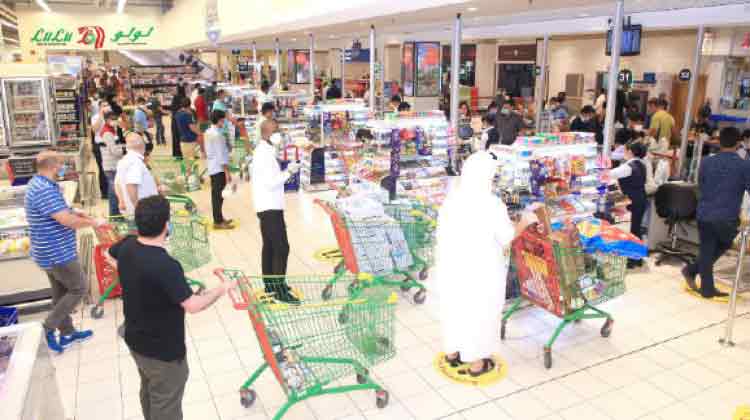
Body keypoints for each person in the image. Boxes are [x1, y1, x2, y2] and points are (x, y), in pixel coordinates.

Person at [107, 195, 234, 420]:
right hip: (162, 352)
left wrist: (131, 273)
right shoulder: (165, 265)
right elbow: (192, 305)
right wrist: (221, 289)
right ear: (166, 225)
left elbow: (109, 255)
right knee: (166, 403)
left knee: (149, 390)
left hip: (135, 339)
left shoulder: (127, 246)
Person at [436, 152, 537, 376]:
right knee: (480, 312)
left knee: (455, 308)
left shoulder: (452, 198)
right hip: (482, 271)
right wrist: (524, 221)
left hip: (451, 267)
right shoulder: (491, 204)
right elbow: (507, 236)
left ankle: (453, 352)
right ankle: (476, 362)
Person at [25, 151, 99, 353]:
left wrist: (77, 213)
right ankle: (49, 327)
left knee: (60, 294)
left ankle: (67, 333)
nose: (64, 167)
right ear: (53, 166)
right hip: (57, 252)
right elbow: (66, 221)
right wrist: (93, 222)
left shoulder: (40, 183)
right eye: (61, 164)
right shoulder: (44, 190)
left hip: (47, 250)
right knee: (79, 288)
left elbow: (61, 212)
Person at [683, 127, 750, 299]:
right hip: (726, 216)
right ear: (738, 143)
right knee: (720, 245)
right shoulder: (744, 165)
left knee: (708, 249)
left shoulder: (706, 162)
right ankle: (704, 286)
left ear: (719, 142)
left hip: (705, 212)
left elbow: (701, 184)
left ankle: (693, 273)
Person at [251, 119, 301, 303]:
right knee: (281, 247)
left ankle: (270, 284)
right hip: (269, 207)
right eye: (275, 131)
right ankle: (279, 291)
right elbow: (271, 182)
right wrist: (289, 172)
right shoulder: (263, 154)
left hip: (267, 205)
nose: (279, 134)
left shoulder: (265, 151)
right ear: (266, 134)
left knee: (270, 246)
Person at [607, 141, 649, 269]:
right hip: (641, 199)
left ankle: (631, 259)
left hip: (632, 201)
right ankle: (638, 258)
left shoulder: (628, 167)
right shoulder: (642, 164)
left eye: (624, 150)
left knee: (631, 230)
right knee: (636, 229)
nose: (623, 153)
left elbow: (610, 174)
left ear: (630, 152)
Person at [115, 133, 159, 216]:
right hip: (143, 210)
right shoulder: (136, 162)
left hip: (133, 209)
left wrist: (121, 200)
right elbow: (131, 185)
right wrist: (138, 208)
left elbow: (117, 183)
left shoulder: (123, 161)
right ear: (143, 146)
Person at [205, 110, 234, 230]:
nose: (224, 122)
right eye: (223, 120)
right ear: (220, 120)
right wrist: (227, 172)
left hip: (213, 167)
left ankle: (219, 218)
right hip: (218, 169)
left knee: (217, 195)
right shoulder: (217, 136)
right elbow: (221, 156)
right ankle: (218, 221)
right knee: (218, 196)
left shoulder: (208, 132)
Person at [100, 111, 126, 216]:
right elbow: (114, 151)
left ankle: (115, 213)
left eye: (116, 118)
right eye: (113, 119)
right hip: (110, 166)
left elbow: (115, 145)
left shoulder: (111, 130)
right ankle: (114, 214)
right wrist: (125, 150)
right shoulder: (107, 132)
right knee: (114, 192)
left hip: (113, 164)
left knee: (115, 190)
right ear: (107, 120)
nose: (115, 121)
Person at [175, 97, 204, 179]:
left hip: (182, 140)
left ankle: (190, 177)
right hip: (191, 140)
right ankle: (194, 178)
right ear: (189, 104)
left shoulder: (177, 114)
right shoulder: (187, 115)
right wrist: (200, 133)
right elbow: (192, 127)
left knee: (187, 161)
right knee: (193, 161)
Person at [170, 84, 187, 158]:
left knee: (176, 137)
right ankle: (182, 153)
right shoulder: (182, 98)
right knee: (182, 137)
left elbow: (173, 108)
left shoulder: (175, 97)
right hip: (180, 119)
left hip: (175, 120)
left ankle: (177, 154)